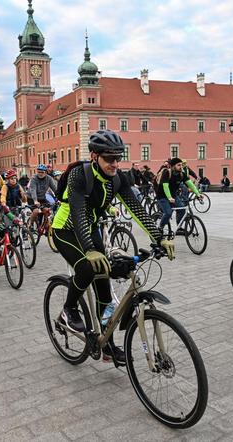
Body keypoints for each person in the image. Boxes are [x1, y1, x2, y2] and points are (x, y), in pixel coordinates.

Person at [51, 130, 174, 364]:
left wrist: (160, 238)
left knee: (105, 291)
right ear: (94, 156)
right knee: (88, 268)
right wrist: (89, 249)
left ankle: (107, 345)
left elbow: (137, 209)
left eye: (119, 157)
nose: (115, 163)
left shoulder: (119, 178)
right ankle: (69, 309)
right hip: (65, 230)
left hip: (92, 230)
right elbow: (77, 214)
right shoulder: (79, 175)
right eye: (109, 158)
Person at [156, 157, 202, 234]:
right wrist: (169, 197)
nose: (181, 167)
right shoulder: (167, 173)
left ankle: (179, 227)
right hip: (162, 196)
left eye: (181, 165)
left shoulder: (182, 174)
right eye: (179, 165)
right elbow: (165, 186)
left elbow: (190, 184)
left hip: (173, 195)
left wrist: (198, 194)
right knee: (168, 213)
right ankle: (160, 227)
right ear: (173, 166)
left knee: (182, 210)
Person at [28, 164, 57, 230]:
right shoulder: (34, 178)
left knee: (47, 210)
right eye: (39, 172)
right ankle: (31, 224)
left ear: (46, 172)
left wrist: (59, 198)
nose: (40, 174)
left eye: (42, 172)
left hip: (42, 197)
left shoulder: (49, 178)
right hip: (31, 198)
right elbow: (33, 190)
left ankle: (45, 225)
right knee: (36, 211)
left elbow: (55, 189)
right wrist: (35, 200)